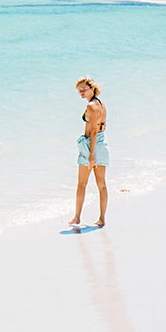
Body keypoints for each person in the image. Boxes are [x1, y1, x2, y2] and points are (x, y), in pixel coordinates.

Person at [72, 76, 109, 227]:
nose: (81, 92)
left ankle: (77, 217)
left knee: (82, 184)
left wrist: (91, 154)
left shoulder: (91, 107)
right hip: (102, 141)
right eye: (79, 90)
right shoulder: (100, 104)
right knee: (101, 184)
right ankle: (101, 219)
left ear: (92, 89)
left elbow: (93, 131)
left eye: (84, 89)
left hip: (91, 145)